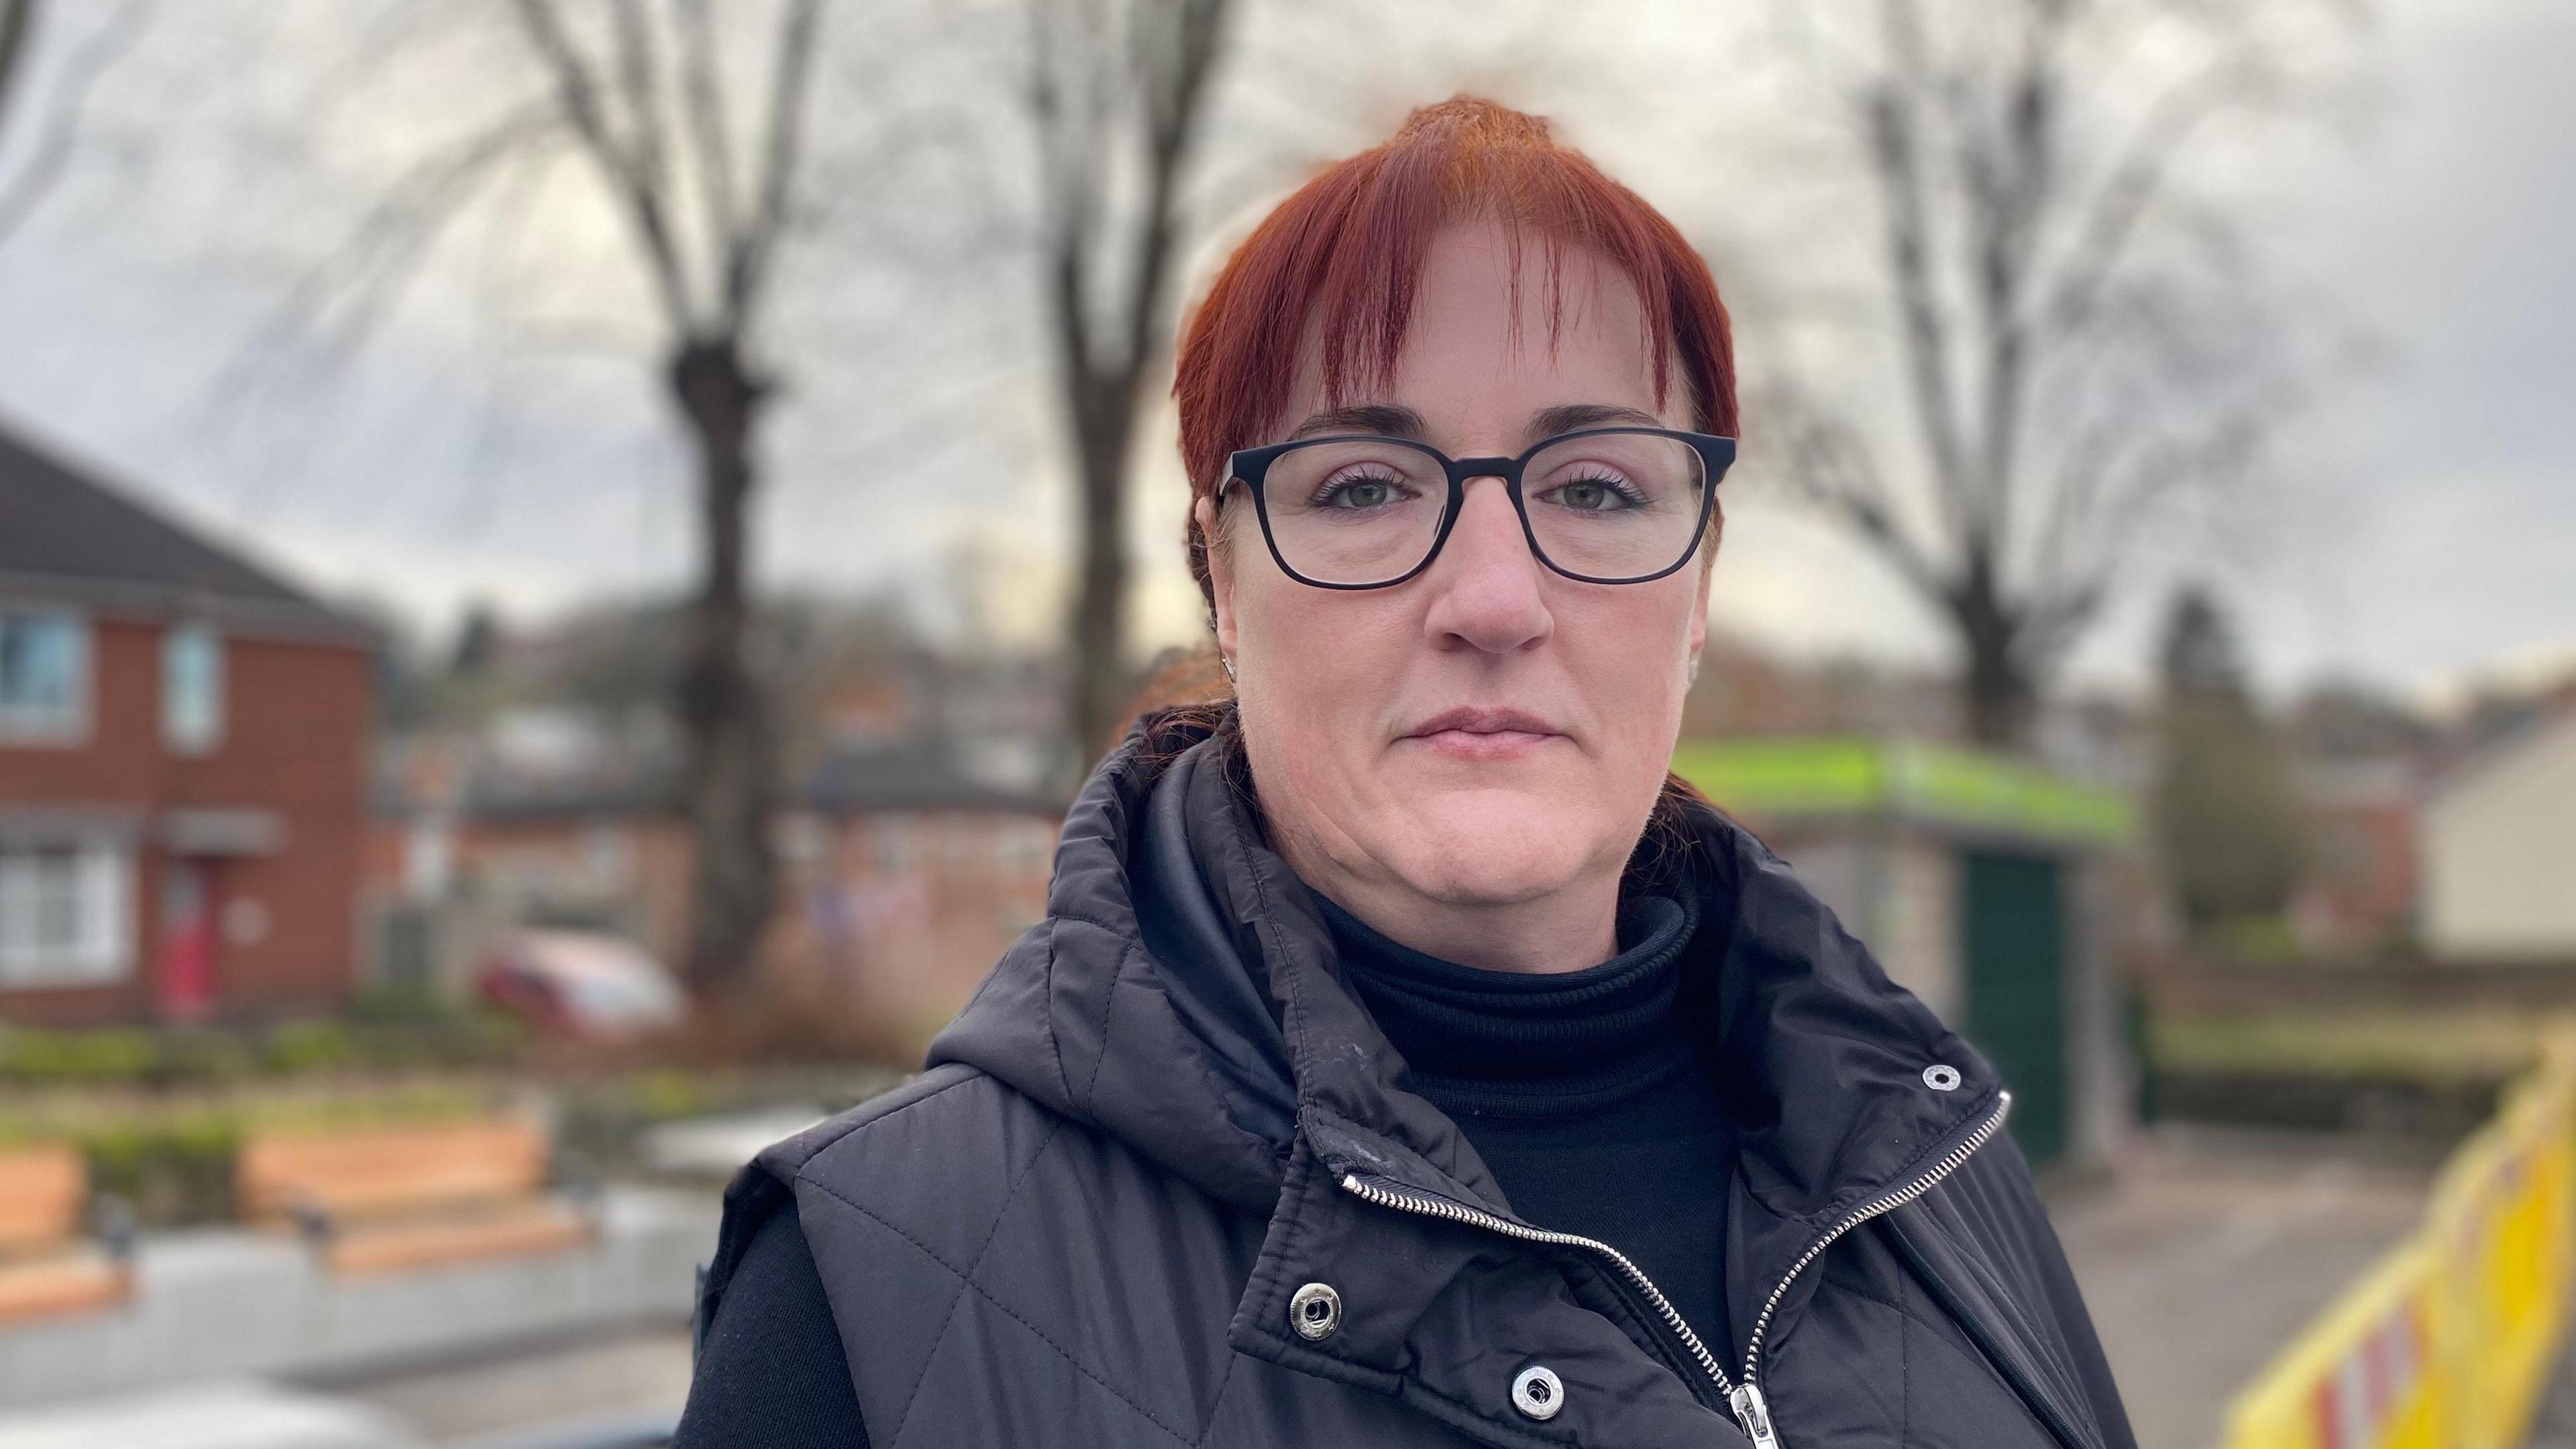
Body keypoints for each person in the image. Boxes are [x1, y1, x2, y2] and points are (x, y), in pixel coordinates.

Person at [674, 96, 2135, 1449]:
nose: (1494, 600)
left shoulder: (1944, 1179)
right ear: (1223, 591)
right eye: (1363, 487)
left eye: (1598, 487)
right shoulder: (868, 1298)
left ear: (1698, 594)